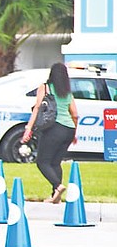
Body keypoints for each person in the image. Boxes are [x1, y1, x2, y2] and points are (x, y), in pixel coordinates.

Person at [22, 62, 78, 203]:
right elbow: (75, 114)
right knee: (55, 162)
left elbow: (37, 108)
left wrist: (28, 128)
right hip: (69, 129)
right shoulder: (67, 91)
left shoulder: (45, 88)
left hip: (54, 128)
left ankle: (58, 186)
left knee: (42, 162)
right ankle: (55, 196)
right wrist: (74, 133)